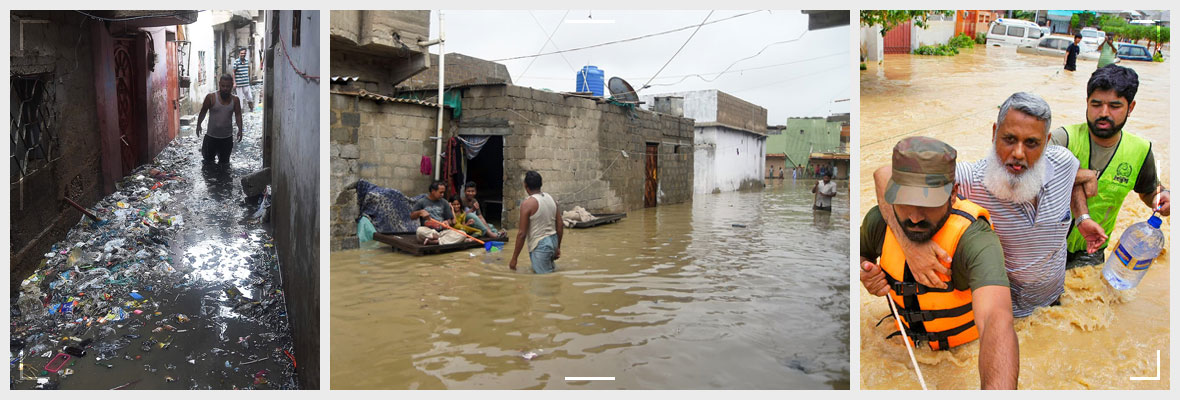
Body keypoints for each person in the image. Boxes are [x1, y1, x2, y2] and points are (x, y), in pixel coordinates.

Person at [873, 92, 1091, 318]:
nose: (1018, 153)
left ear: (1046, 142)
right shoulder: (970, 180)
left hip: (1053, 304)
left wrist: (1083, 216)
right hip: (1001, 315)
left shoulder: (1064, 162)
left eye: (1031, 143)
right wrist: (911, 247)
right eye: (1009, 139)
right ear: (995, 133)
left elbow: (1074, 180)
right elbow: (884, 175)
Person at [860, 137, 1018, 389]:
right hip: (900, 345)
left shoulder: (975, 239)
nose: (914, 217)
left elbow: (995, 319)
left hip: (961, 352)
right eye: (904, 200)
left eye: (927, 203)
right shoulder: (880, 221)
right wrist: (865, 272)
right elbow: (858, 256)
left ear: (953, 194)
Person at [1049, 65, 1170, 268]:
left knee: (1087, 286)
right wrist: (1084, 175)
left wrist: (1162, 197)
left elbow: (1149, 190)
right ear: (1087, 102)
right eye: (1096, 104)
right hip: (1045, 246)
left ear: (1130, 108)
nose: (1103, 113)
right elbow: (1032, 174)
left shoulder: (1140, 150)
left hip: (1091, 251)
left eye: (1114, 106)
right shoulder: (1063, 139)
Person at [509, 171, 563, 274]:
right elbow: (560, 225)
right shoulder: (551, 198)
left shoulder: (527, 204)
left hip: (540, 245)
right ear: (540, 184)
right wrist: (558, 247)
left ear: (526, 186)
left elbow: (522, 234)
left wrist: (514, 258)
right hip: (553, 240)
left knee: (542, 281)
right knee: (550, 276)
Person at [196, 74, 243, 165]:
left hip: (226, 139)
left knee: (224, 165)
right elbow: (203, 111)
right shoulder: (211, 97)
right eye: (223, 86)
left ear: (232, 86)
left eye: (228, 86)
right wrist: (198, 125)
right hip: (211, 138)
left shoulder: (235, 100)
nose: (225, 89)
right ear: (219, 85)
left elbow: (238, 115)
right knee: (208, 164)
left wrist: (240, 130)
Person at [410, 181, 465, 245]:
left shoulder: (444, 202)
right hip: (429, 231)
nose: (442, 194)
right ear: (433, 191)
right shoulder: (421, 202)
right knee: (419, 231)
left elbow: (450, 220)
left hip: (442, 232)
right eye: (440, 192)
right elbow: (412, 216)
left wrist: (447, 223)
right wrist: (419, 212)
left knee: (463, 234)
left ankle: (435, 241)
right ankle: (441, 240)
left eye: (443, 192)